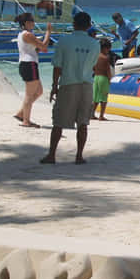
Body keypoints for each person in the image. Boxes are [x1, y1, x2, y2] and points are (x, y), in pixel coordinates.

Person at [40, 12, 99, 165]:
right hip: (87, 85)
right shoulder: (95, 43)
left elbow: (57, 66)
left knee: (58, 122)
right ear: (88, 25)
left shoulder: (64, 41)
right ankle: (79, 156)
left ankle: (52, 155)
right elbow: (93, 65)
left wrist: (54, 85)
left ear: (74, 24)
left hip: (68, 83)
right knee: (83, 122)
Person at [12, 12, 52, 128]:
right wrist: (48, 32)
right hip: (29, 64)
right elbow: (44, 46)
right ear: (26, 23)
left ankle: (21, 113)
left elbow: (38, 49)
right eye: (32, 21)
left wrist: (41, 46)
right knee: (29, 94)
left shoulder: (24, 35)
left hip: (28, 63)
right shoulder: (27, 35)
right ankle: (26, 121)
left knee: (38, 91)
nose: (34, 23)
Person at [92, 39, 112, 121]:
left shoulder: (96, 56)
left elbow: (93, 67)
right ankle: (101, 115)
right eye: (108, 49)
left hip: (96, 77)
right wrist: (110, 79)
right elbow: (108, 70)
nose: (109, 50)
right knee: (103, 97)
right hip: (103, 78)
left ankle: (91, 114)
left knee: (95, 97)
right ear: (105, 48)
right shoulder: (105, 58)